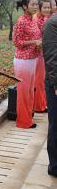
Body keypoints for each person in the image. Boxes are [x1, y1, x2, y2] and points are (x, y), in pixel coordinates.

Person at [13, 0, 41, 128]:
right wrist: (34, 42)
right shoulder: (21, 21)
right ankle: (23, 122)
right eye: (33, 5)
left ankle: (28, 117)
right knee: (23, 92)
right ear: (25, 6)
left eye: (37, 4)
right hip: (23, 61)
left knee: (30, 91)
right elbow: (17, 42)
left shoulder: (33, 19)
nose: (35, 7)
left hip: (32, 58)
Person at [43, 12, 57, 177]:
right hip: (55, 82)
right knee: (56, 124)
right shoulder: (52, 24)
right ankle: (54, 165)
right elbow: (52, 57)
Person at [34, 0, 52, 113]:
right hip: (38, 54)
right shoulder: (37, 20)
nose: (47, 9)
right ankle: (39, 106)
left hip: (45, 53)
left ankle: (43, 103)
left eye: (49, 7)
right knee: (39, 80)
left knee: (43, 80)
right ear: (40, 8)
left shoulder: (47, 18)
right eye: (45, 7)